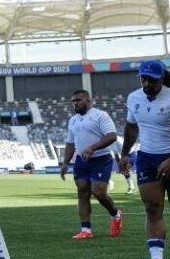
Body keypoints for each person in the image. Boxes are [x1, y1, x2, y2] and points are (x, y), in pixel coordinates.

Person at [119, 60, 170, 259]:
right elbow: (131, 127)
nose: (146, 83)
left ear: (161, 79)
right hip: (147, 158)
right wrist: (125, 153)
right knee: (152, 208)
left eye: (151, 80)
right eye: (143, 79)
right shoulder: (133, 98)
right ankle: (156, 256)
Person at [59, 90, 123, 239]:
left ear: (88, 100)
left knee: (99, 192)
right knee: (82, 192)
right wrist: (65, 163)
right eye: (73, 101)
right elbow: (70, 143)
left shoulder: (100, 116)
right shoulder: (73, 120)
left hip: (101, 159)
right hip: (82, 161)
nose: (75, 103)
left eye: (78, 100)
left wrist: (93, 148)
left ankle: (116, 215)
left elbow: (112, 136)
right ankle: (86, 230)